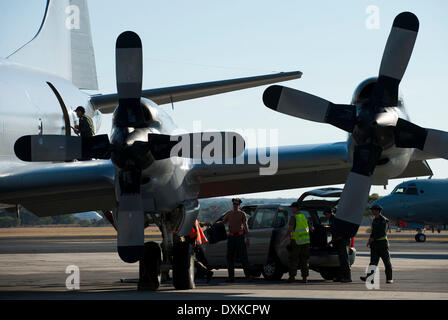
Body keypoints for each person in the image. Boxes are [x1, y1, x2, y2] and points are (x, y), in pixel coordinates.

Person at [360, 204, 394, 284]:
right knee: (373, 262)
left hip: (382, 244)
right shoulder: (375, 220)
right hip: (374, 244)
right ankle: (369, 278)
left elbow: (382, 233)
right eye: (372, 210)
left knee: (386, 262)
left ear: (378, 211)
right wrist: (370, 240)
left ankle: (389, 278)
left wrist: (373, 238)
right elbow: (373, 232)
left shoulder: (383, 220)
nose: (372, 211)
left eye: (373, 210)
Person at [221, 198, 252, 283]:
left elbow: (245, 226)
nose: (235, 205)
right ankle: (231, 277)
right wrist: (212, 224)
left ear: (239, 205)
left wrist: (247, 238)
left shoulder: (242, 214)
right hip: (231, 237)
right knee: (230, 257)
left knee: (243, 257)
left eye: (237, 204)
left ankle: (248, 276)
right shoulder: (229, 213)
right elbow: (223, 222)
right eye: (234, 204)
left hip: (240, 237)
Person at [281, 202, 310, 283]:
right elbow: (310, 228)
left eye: (292, 207)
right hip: (306, 241)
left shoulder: (293, 217)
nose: (291, 209)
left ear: (296, 208)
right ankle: (305, 278)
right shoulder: (304, 216)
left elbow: (290, 229)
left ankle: (292, 277)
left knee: (293, 259)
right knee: (304, 260)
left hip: (297, 241)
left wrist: (284, 238)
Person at [326, 208, 352, 283]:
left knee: (344, 260)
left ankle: (347, 277)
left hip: (343, 241)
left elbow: (339, 235)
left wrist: (330, 242)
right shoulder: (333, 219)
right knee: (340, 260)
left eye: (327, 214)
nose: (326, 216)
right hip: (339, 241)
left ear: (330, 213)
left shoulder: (335, 220)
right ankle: (340, 276)